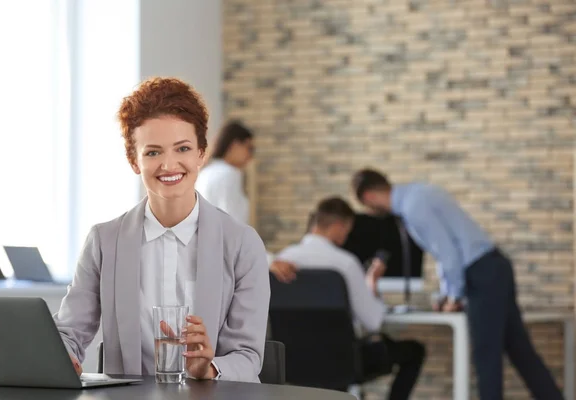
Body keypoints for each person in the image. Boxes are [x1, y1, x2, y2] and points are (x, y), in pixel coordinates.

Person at [53, 77, 270, 382]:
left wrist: (207, 368)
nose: (169, 165)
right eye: (153, 152)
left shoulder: (242, 244)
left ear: (201, 154)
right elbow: (69, 334)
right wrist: (62, 358)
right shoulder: (105, 241)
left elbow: (248, 357)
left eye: (182, 148)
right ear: (134, 161)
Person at [351, 168, 563, 400]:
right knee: (521, 352)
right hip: (494, 267)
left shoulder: (413, 208)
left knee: (486, 356)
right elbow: (445, 252)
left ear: (368, 197)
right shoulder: (418, 194)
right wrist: (447, 294)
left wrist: (454, 296)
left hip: (482, 273)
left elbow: (448, 254)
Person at [271, 197, 426, 400]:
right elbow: (373, 322)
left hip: (292, 363)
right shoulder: (345, 264)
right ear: (337, 226)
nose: (348, 235)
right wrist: (371, 282)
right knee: (414, 351)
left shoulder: (281, 260)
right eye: (347, 229)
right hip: (341, 362)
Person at [195, 120, 254, 224]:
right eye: (249, 148)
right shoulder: (228, 174)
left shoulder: (206, 172)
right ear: (235, 145)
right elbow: (232, 219)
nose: (250, 155)